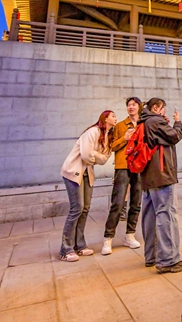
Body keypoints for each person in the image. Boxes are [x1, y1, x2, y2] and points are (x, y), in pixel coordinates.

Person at [59, 110, 113, 261]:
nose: (115, 118)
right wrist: (95, 155)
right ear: (105, 118)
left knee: (85, 209)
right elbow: (85, 155)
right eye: (113, 116)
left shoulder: (106, 137)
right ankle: (66, 249)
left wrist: (93, 154)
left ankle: (80, 246)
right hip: (73, 172)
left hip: (87, 174)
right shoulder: (93, 131)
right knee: (77, 208)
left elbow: (104, 159)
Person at [139, 97, 182, 273]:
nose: (164, 112)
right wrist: (177, 122)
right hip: (162, 174)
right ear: (157, 107)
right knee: (166, 215)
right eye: (163, 108)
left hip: (148, 177)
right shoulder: (156, 121)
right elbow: (175, 136)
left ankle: (151, 256)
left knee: (150, 217)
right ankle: (168, 260)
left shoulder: (143, 121)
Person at [102, 97, 144, 256]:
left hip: (139, 166)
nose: (131, 107)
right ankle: (108, 238)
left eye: (134, 105)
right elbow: (111, 146)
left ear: (139, 107)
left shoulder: (143, 124)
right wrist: (124, 138)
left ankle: (130, 235)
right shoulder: (120, 126)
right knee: (118, 203)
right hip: (123, 166)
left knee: (136, 202)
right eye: (129, 105)